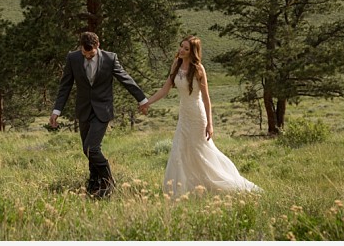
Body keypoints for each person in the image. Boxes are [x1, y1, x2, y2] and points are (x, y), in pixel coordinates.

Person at [142, 35, 261, 199]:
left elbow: (206, 98)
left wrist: (210, 124)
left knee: (201, 151)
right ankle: (180, 190)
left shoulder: (198, 69)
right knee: (180, 149)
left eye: (186, 49)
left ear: (193, 52)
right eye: (181, 47)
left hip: (198, 115)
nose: (181, 50)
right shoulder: (176, 65)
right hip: (184, 114)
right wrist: (148, 102)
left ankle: (224, 182)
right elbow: (165, 89)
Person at [50, 31, 150, 198]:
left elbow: (125, 78)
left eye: (91, 54)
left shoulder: (110, 59)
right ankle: (94, 184)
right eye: (85, 53)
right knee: (88, 150)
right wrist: (56, 110)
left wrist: (142, 99)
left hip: (102, 110)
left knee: (91, 148)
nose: (88, 56)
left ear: (98, 46)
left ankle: (108, 182)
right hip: (84, 110)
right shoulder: (73, 58)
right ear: (80, 47)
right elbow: (65, 85)